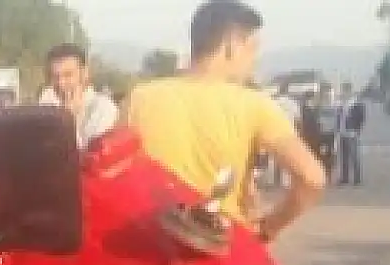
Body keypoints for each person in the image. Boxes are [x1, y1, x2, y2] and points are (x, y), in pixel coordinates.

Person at [123, 0, 326, 241]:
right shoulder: (253, 104)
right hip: (218, 247)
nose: (254, 60)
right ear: (231, 46)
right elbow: (312, 178)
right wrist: (268, 228)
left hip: (149, 242)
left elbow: (110, 172)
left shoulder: (139, 98)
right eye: (252, 48)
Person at [38, 44, 119, 147]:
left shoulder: (103, 109)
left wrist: (70, 120)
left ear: (84, 73)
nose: (61, 83)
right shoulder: (49, 108)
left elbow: (85, 158)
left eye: (68, 75)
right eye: (55, 77)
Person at [335, 85, 366, 186]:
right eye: (343, 91)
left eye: (346, 91)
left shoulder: (357, 104)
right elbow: (339, 118)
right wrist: (338, 129)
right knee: (344, 157)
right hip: (343, 133)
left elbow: (361, 118)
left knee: (354, 157)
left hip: (352, 133)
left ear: (350, 91)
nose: (344, 93)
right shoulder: (342, 104)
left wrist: (357, 130)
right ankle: (345, 178)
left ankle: (357, 179)